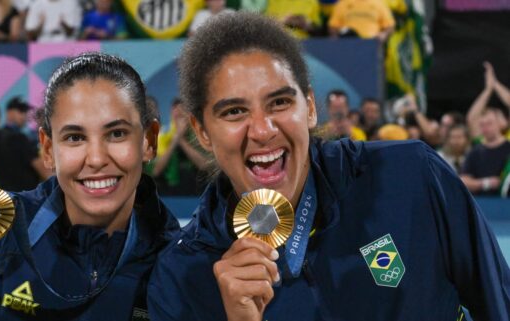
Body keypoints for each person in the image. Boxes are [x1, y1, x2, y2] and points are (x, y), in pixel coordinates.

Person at [147, 12, 510, 321]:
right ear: (202, 132)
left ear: (310, 106)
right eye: (234, 111)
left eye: (279, 103)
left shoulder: (411, 176)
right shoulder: (181, 276)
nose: (262, 130)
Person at [0, 52, 179, 320]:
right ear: (47, 149)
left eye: (117, 133)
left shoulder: (180, 262)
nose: (97, 159)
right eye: (75, 137)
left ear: (149, 140)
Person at [460, 108, 510, 196]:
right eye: (482, 125)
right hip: (482, 203)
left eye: (489, 123)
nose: (486, 128)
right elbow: (463, 180)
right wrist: (485, 183)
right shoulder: (474, 152)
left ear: (500, 123)